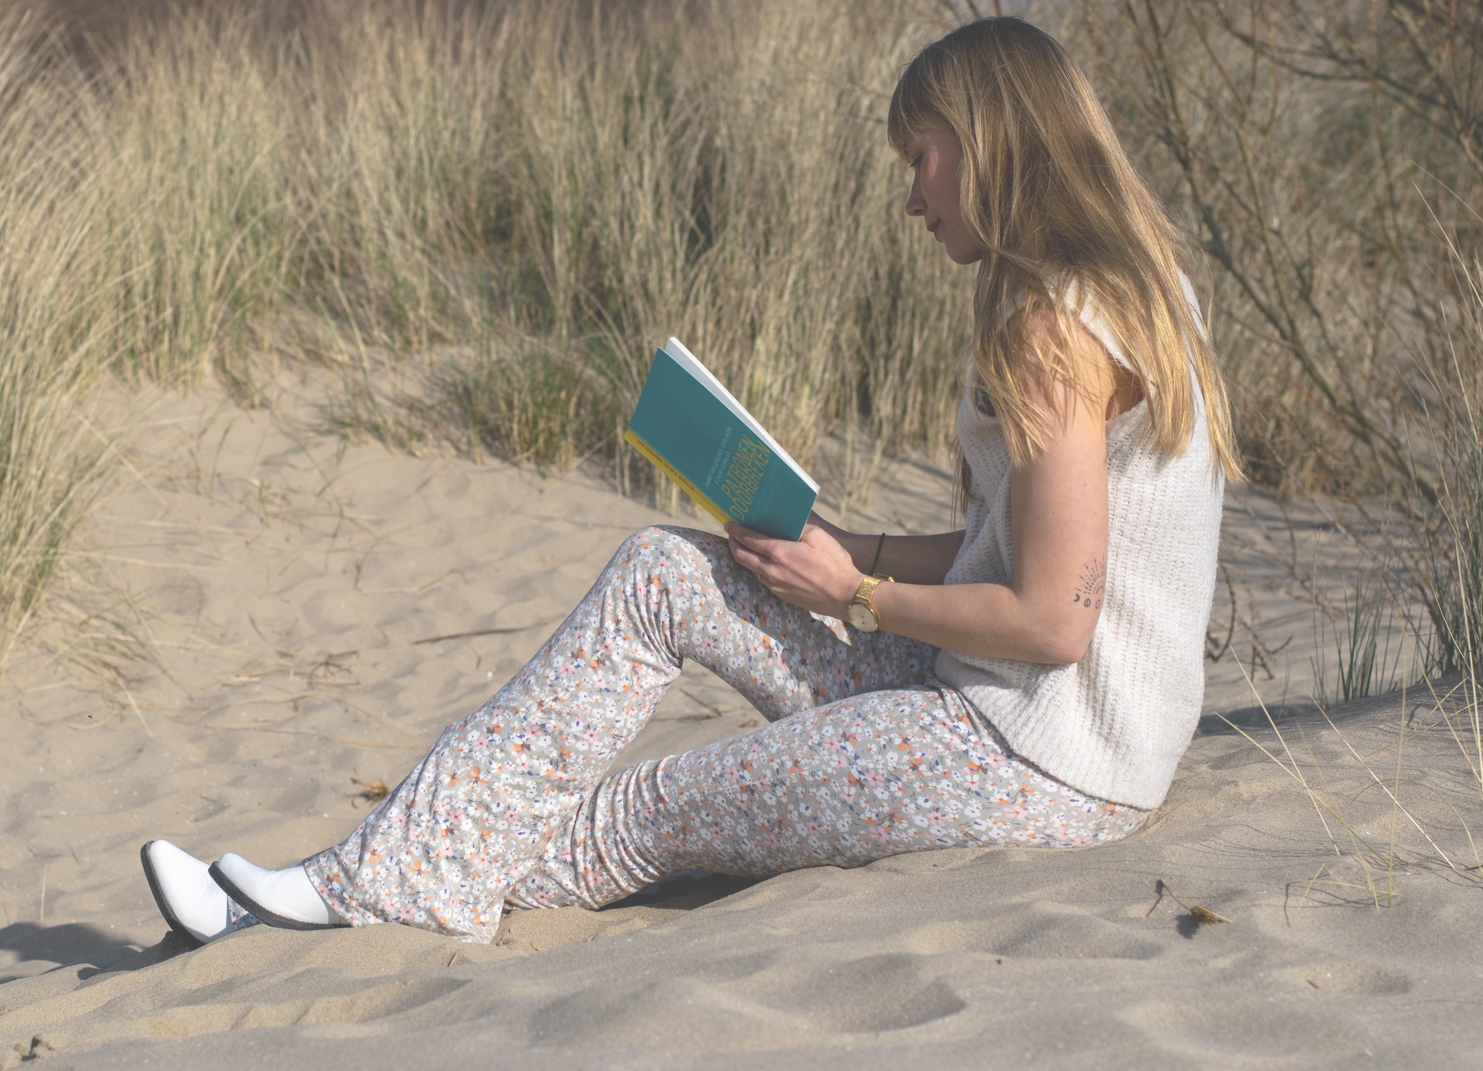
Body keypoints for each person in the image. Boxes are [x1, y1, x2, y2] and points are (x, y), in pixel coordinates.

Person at [140, 14, 1241, 948]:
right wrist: (845, 552)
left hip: (1038, 762)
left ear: (990, 145)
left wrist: (854, 598)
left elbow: (1054, 619)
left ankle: (335, 904)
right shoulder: (1127, 293)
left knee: (645, 810)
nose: (913, 198)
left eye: (922, 158)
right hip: (1000, 711)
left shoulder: (1055, 327)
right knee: (663, 571)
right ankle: (373, 880)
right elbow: (1016, 555)